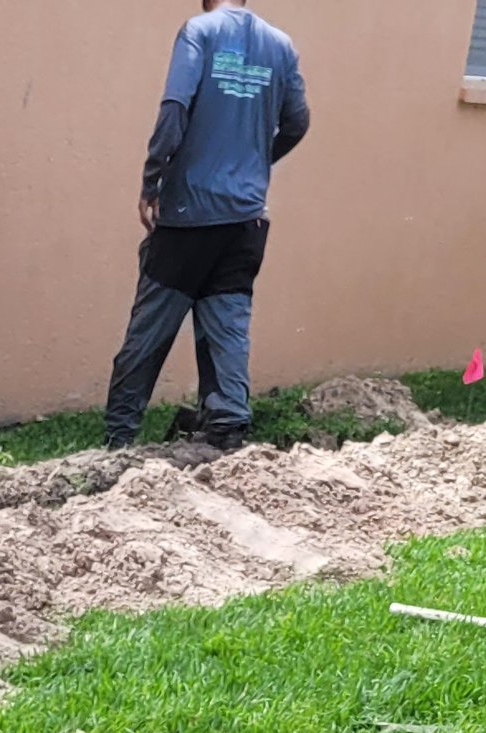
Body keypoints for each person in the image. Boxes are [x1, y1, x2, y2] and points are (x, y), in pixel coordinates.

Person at [104, 5, 309, 452]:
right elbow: (297, 122)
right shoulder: (280, 45)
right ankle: (228, 434)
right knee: (227, 324)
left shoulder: (198, 32)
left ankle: (118, 443)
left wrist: (152, 180)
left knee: (150, 331)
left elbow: (175, 108)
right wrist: (257, 159)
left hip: (189, 214)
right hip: (245, 220)